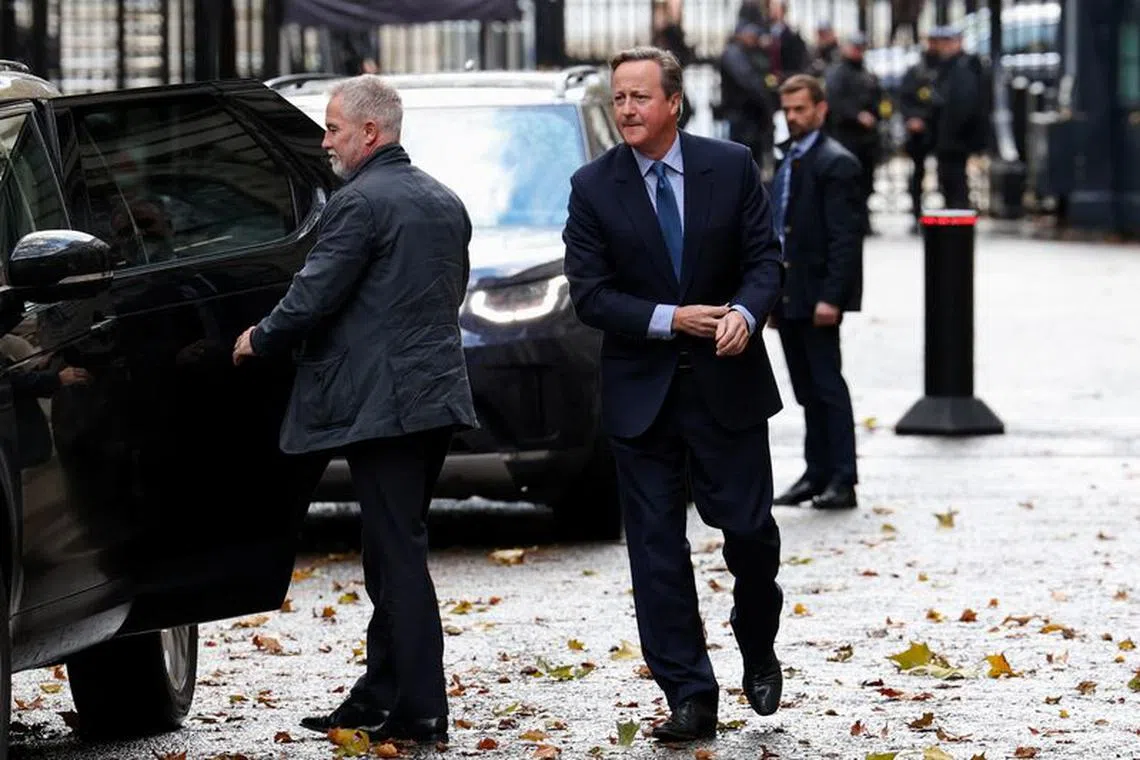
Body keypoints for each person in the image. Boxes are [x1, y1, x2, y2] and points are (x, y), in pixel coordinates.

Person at [231, 74, 477, 745]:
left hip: (385, 404)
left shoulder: (360, 203)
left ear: (370, 132)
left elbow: (313, 295)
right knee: (387, 548)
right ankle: (379, 694)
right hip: (433, 398)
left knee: (396, 554)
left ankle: (423, 709)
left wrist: (259, 337)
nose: (324, 140)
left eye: (333, 127)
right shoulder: (443, 199)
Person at [562, 46, 785, 743]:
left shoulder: (730, 164)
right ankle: (690, 693)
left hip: (729, 388)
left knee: (749, 534)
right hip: (643, 395)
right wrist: (669, 320)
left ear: (673, 103)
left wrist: (746, 315)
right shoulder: (593, 186)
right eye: (619, 98)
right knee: (656, 552)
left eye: (639, 97)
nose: (626, 109)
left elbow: (764, 259)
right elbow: (591, 294)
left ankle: (756, 641)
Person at [769, 74, 863, 511]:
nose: (792, 118)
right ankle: (816, 472)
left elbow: (845, 239)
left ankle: (842, 478)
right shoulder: (789, 159)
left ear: (821, 110)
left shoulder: (836, 162)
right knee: (806, 388)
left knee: (827, 386)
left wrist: (833, 296)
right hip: (790, 294)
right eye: (787, 110)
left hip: (817, 294)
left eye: (800, 109)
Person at [824, 32, 885, 235]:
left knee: (866, 182)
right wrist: (857, 115)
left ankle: (863, 221)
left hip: (867, 140)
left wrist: (880, 114)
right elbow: (834, 102)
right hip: (846, 136)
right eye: (855, 47)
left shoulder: (867, 72)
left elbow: (879, 99)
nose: (858, 51)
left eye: (861, 47)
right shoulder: (837, 73)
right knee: (848, 182)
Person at [898, 36, 943, 231]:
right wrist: (913, 118)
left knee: (948, 172)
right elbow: (904, 98)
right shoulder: (916, 71)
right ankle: (917, 214)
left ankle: (949, 215)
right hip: (920, 131)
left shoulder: (949, 68)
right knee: (918, 173)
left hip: (942, 128)